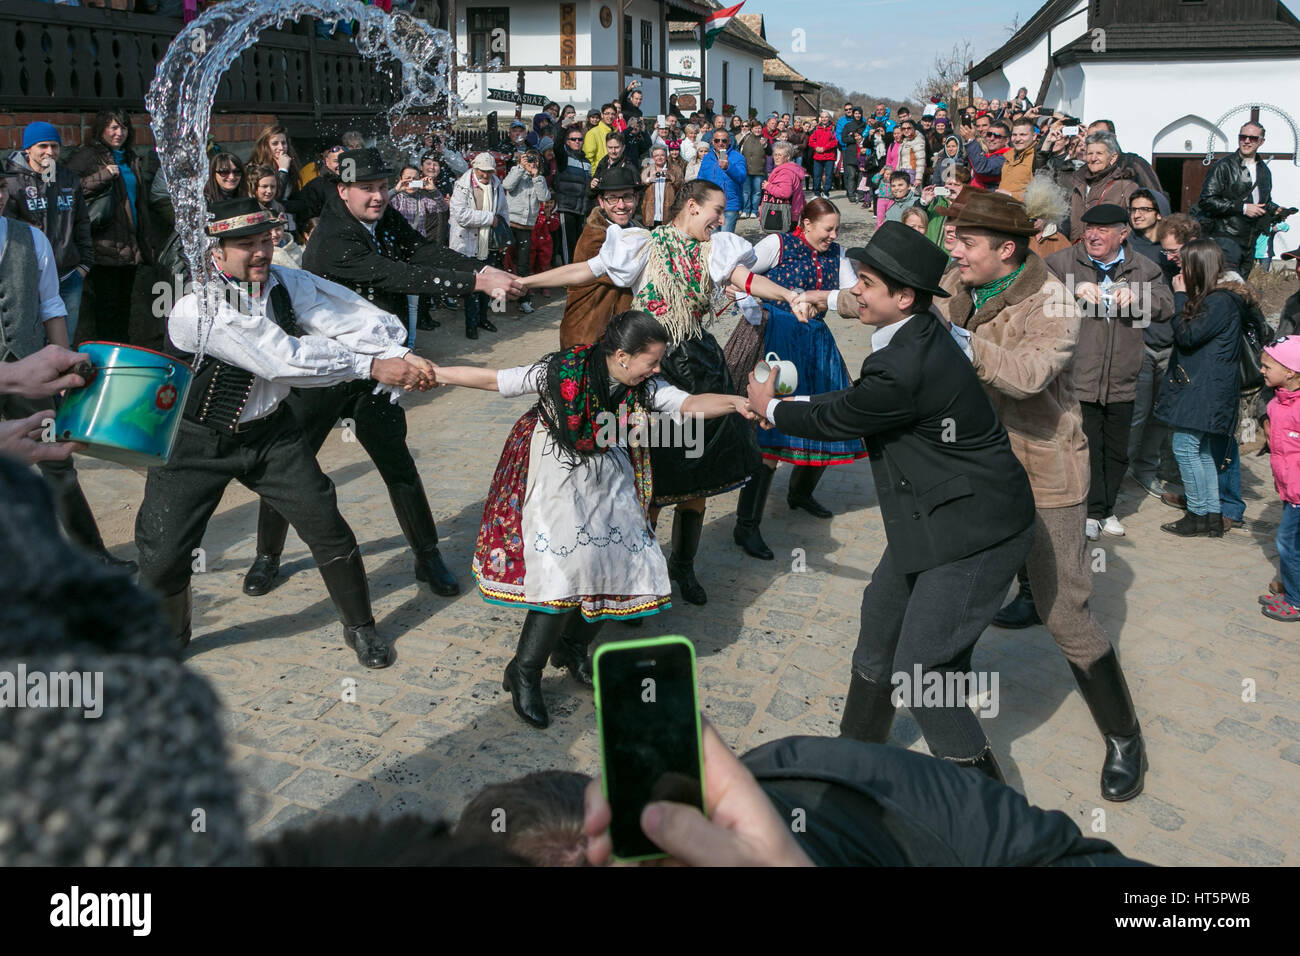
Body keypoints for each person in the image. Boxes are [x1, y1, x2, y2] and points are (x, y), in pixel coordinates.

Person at [748, 222, 1035, 782]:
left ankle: (991, 814)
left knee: (924, 674)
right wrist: (788, 400)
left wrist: (772, 407)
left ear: (904, 297)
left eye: (868, 283)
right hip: (931, 519)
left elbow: (845, 417)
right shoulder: (914, 332)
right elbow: (860, 401)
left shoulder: (904, 362)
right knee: (881, 618)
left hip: (977, 531)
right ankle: (855, 763)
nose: (856, 291)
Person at [135, 198, 440, 667]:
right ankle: (170, 638)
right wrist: (372, 365)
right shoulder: (197, 307)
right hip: (197, 442)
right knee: (162, 553)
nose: (260, 253)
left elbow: (344, 314)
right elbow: (283, 357)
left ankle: (361, 629)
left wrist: (397, 350)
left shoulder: (284, 281)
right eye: (245, 246)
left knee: (327, 524)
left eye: (264, 241)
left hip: (270, 436)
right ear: (214, 253)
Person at [430, 310, 758, 727]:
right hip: (553, 466)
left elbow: (688, 404)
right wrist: (437, 372)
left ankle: (571, 648)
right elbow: (498, 380)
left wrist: (735, 402)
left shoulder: (647, 385)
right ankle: (524, 671)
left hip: (607, 465)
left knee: (617, 564)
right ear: (622, 356)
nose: (659, 369)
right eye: (652, 361)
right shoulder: (561, 368)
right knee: (565, 571)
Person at [938, 190, 1147, 802]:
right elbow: (898, 297)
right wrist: (827, 297)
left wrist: (952, 338)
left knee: (1066, 612)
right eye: (952, 238)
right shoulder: (959, 279)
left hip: (1044, 470)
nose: (953, 249)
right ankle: (950, 728)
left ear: (1006, 249)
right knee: (954, 598)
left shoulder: (1053, 300)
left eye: (965, 241)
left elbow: (1028, 376)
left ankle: (1125, 736)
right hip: (976, 469)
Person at [239, 149, 519, 601]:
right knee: (288, 470)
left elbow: (421, 251)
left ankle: (428, 557)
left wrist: (481, 268)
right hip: (323, 371)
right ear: (342, 190)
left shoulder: (383, 217)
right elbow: (396, 275)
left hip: (378, 371)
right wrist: (474, 285)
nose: (378, 196)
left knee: (398, 466)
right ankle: (266, 556)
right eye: (367, 189)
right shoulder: (332, 238)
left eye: (382, 187)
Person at [522, 180, 814, 606]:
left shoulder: (715, 249)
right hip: (653, 369)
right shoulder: (642, 244)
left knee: (697, 477)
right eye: (716, 210)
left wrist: (789, 294)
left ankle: (683, 565)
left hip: (700, 366)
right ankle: (642, 574)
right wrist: (526, 282)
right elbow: (586, 271)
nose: (720, 219)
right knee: (650, 481)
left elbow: (746, 279)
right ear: (692, 207)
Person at [0, 174, 129, 570]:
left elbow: (51, 305)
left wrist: (63, 366)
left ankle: (92, 556)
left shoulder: (30, 239)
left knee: (57, 460)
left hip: (29, 366)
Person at [724, 198, 866, 559]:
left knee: (821, 420)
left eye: (836, 229)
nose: (833, 236)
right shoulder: (778, 244)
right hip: (774, 341)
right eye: (827, 229)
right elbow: (739, 274)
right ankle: (746, 525)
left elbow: (850, 297)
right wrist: (751, 307)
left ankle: (800, 494)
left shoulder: (838, 252)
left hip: (816, 343)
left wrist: (830, 299)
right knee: (771, 429)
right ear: (805, 223)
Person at [1044, 204, 1174, 539]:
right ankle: (1090, 510)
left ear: (1123, 233)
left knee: (1118, 448)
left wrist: (1138, 297)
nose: (1093, 235)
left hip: (1123, 376)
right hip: (1079, 374)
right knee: (1086, 444)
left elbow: (1166, 305)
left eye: (1102, 230)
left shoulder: (1143, 268)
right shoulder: (1063, 262)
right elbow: (1038, 291)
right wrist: (1070, 291)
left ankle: (1108, 509)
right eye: (1089, 228)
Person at [1154, 239, 1247, 538]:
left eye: (1184, 264)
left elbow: (1187, 335)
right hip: (1209, 387)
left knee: (1185, 447)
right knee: (1202, 450)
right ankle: (1210, 515)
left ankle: (1197, 514)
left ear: (1198, 267)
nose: (1179, 270)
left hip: (1205, 388)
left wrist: (1180, 297)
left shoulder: (1219, 301)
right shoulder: (1220, 298)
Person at [66, 108, 156, 345]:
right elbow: (68, 188)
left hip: (130, 245)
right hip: (102, 245)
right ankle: (106, 361)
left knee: (125, 307)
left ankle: (122, 356)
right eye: (113, 127)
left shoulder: (130, 158)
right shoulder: (87, 156)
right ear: (101, 129)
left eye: (124, 127)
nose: (119, 133)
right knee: (106, 309)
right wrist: (104, 175)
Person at [3, 122, 94, 341]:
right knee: (31, 343)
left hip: (69, 275)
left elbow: (82, 221)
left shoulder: (67, 178)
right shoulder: (11, 181)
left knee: (64, 342)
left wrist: (85, 264)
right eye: (42, 146)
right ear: (28, 149)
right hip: (29, 277)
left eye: (55, 146)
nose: (50, 152)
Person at [558, 166, 643, 349]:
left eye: (627, 196)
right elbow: (627, 272)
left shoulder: (635, 231)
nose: (621, 205)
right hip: (587, 338)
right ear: (601, 202)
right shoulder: (595, 237)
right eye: (612, 198)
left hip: (619, 337)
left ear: (636, 199)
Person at [1193, 121, 1274, 279]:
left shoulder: (1264, 171)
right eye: (1243, 137)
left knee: (1240, 289)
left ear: (1261, 142)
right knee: (1222, 285)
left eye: (1253, 138)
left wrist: (1274, 209)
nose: (1247, 141)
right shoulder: (1223, 166)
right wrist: (1243, 208)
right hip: (1224, 239)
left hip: (1250, 242)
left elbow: (1264, 201)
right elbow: (1206, 200)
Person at [449, 152, 511, 340]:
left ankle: (483, 318)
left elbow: (502, 212)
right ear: (474, 169)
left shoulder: (496, 185)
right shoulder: (461, 186)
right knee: (472, 287)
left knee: (488, 284)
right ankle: (471, 325)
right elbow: (462, 216)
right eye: (482, 171)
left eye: (489, 172)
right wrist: (489, 219)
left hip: (489, 244)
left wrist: (503, 238)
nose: (485, 175)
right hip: (467, 243)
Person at [1259, 337, 1300, 620]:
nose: (1261, 370)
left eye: (1267, 366)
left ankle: (1295, 600)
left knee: (1287, 541)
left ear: (1289, 371)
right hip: (1289, 489)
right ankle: (1294, 588)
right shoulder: (1276, 404)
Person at [390, 164, 450, 330]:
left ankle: (424, 317)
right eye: (407, 178)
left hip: (419, 249)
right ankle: (408, 321)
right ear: (400, 179)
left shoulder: (422, 199)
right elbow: (382, 202)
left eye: (415, 179)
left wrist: (433, 190)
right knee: (405, 287)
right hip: (400, 249)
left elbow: (442, 208)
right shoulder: (396, 198)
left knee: (423, 284)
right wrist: (396, 189)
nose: (411, 182)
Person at [503, 148, 551, 316]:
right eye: (529, 159)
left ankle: (523, 300)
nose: (532, 162)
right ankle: (497, 298)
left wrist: (536, 176)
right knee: (504, 262)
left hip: (527, 226)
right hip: (510, 222)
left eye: (535, 159)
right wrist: (520, 168)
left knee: (524, 264)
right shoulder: (516, 172)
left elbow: (544, 197)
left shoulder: (539, 178)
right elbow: (507, 185)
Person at [1068, 132, 1140, 242]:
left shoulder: (1126, 187)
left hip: (1109, 254)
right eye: (1089, 153)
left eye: (1099, 153)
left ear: (1113, 157)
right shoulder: (1077, 184)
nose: (1093, 158)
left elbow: (1134, 225)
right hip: (1077, 252)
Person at [553, 124, 594, 264]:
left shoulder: (586, 161)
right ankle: (567, 278)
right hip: (566, 207)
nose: (577, 142)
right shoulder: (563, 158)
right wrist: (563, 128)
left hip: (581, 209)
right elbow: (557, 147)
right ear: (568, 141)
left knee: (578, 244)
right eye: (573, 139)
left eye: (580, 139)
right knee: (567, 245)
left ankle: (575, 275)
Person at [697, 130, 746, 233]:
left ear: (729, 141)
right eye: (717, 140)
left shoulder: (738, 157)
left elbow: (742, 178)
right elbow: (700, 180)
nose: (720, 143)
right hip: (710, 205)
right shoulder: (707, 158)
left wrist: (728, 167)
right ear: (712, 142)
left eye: (724, 140)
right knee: (712, 239)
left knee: (725, 239)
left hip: (729, 205)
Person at [757, 140, 806, 233]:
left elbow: (785, 193)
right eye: (775, 155)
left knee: (780, 244)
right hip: (789, 213)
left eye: (780, 155)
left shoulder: (785, 172)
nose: (776, 158)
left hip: (782, 215)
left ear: (787, 157)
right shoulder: (790, 169)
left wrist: (768, 186)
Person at [1023, 172, 1071, 257]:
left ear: (1047, 216)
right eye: (1029, 217)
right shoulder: (1020, 237)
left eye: (1037, 217)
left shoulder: (1060, 241)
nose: (1033, 221)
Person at [639, 146, 681, 229]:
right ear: (653, 157)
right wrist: (649, 179)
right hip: (651, 211)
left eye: (662, 155)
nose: (659, 158)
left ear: (666, 156)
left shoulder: (675, 169)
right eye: (656, 155)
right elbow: (640, 185)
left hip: (668, 210)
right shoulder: (647, 168)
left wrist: (671, 177)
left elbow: (681, 186)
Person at [998, 119, 1038, 201]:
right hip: (1002, 208)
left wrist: (1011, 195)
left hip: (1021, 210)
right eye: (1014, 135)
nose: (1017, 139)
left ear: (1034, 136)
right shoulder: (1009, 156)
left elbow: (1039, 195)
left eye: (1023, 135)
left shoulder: (1037, 158)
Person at [738, 120, 768, 220]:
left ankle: (754, 210)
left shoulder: (764, 139)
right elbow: (739, 151)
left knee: (757, 192)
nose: (758, 130)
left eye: (759, 128)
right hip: (746, 170)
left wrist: (765, 145)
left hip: (759, 170)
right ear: (751, 129)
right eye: (755, 128)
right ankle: (745, 210)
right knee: (745, 191)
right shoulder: (745, 138)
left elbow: (770, 152)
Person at [808, 111, 839, 200]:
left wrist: (824, 148)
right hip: (817, 156)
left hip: (829, 156)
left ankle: (826, 193)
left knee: (829, 175)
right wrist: (816, 147)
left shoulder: (833, 128)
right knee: (817, 175)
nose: (824, 119)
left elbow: (835, 141)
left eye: (826, 117)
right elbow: (811, 141)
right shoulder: (816, 128)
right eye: (822, 117)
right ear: (820, 118)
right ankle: (817, 193)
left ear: (829, 118)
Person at [583, 103, 617, 168]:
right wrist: (594, 175)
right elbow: (588, 158)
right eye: (607, 113)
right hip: (599, 173)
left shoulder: (616, 132)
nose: (610, 116)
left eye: (613, 114)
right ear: (602, 115)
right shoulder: (592, 133)